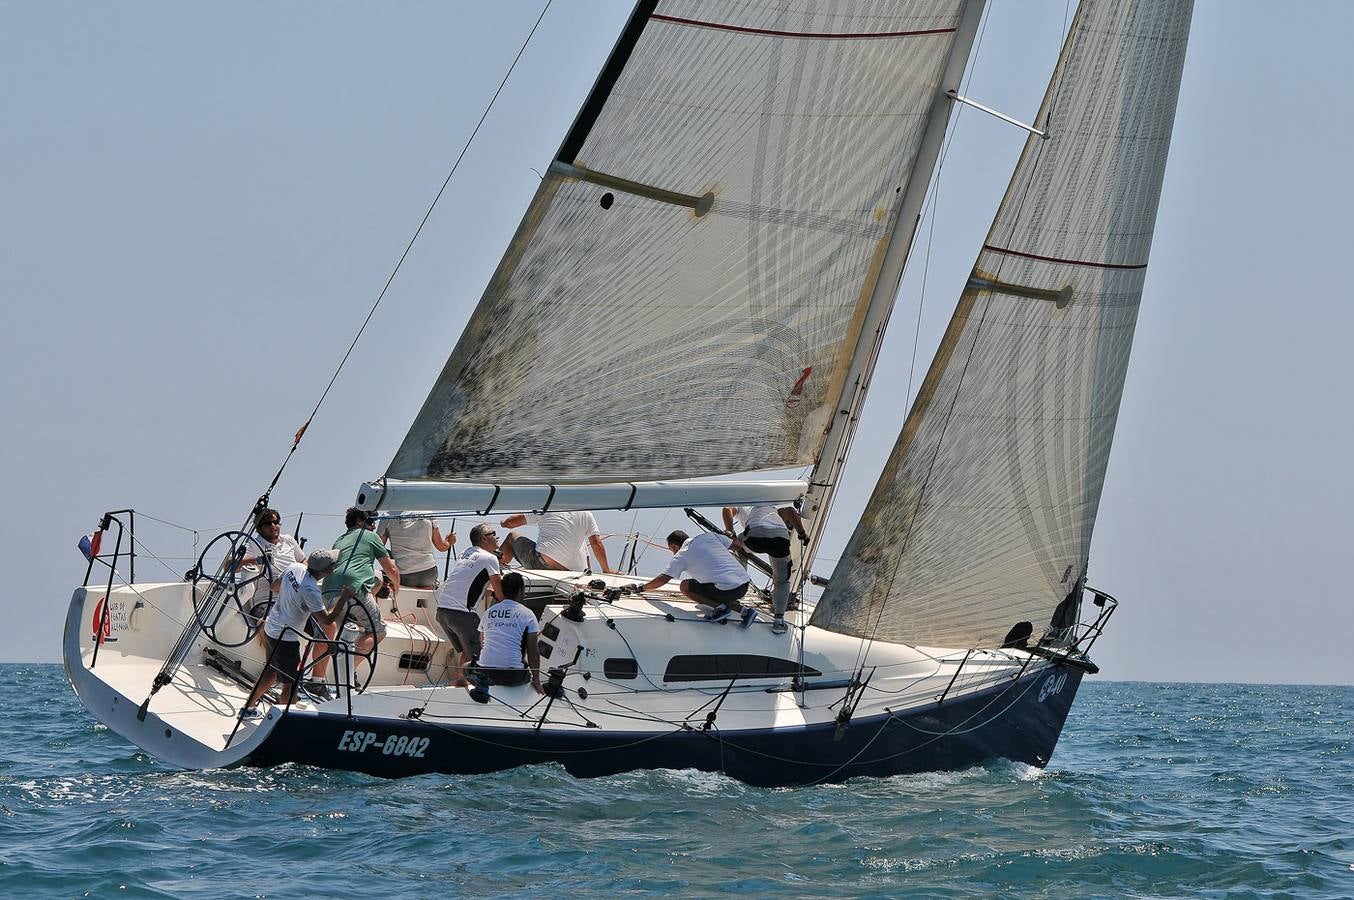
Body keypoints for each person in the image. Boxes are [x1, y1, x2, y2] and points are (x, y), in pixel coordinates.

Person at [241, 549, 352, 718]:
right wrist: (344, 598)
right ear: (327, 570)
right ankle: (282, 721)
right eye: (333, 564)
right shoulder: (311, 591)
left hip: (271, 628)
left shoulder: (294, 567)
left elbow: (274, 587)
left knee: (270, 672)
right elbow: (327, 620)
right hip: (286, 639)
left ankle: (247, 709)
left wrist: (295, 599)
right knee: (290, 684)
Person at [316, 507, 397, 681]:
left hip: (328, 589)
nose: (373, 526)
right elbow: (390, 569)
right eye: (370, 522)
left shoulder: (339, 540)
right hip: (353, 589)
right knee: (378, 631)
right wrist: (397, 586)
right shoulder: (370, 536)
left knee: (326, 630)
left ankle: (317, 680)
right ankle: (347, 673)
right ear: (360, 521)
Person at [633, 529, 755, 628]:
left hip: (725, 590)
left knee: (685, 586)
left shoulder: (681, 555)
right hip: (744, 585)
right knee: (718, 587)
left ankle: (720, 609)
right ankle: (746, 611)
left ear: (675, 546)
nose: (673, 553)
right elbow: (737, 545)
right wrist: (728, 535)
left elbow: (663, 579)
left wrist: (642, 588)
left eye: (671, 550)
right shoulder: (709, 536)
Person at [435, 523, 503, 685]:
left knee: (468, 651)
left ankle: (460, 683)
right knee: (479, 655)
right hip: (461, 615)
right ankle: (466, 686)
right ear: (484, 538)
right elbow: (501, 594)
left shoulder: (465, 553)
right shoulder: (490, 558)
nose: (498, 536)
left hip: (443, 612)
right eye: (494, 533)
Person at [722, 504, 807, 635]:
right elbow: (790, 511)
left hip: (756, 536)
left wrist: (730, 532)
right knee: (782, 581)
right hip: (780, 539)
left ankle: (737, 588)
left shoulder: (743, 506)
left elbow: (727, 509)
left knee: (737, 546)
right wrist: (802, 533)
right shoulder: (775, 511)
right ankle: (778, 621)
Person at [476, 572, 544, 693]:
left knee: (466, 666)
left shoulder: (489, 612)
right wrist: (537, 680)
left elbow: (482, 642)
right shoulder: (527, 614)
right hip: (512, 676)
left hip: (484, 672)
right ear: (520, 591)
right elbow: (533, 652)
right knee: (525, 671)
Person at [499, 510, 614, 574]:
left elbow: (511, 523)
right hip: (575, 572)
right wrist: (606, 569)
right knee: (580, 539)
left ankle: (496, 569)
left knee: (512, 536)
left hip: (543, 565)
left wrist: (504, 522)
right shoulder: (587, 514)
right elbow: (596, 544)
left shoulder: (546, 508)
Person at [378, 513, 453, 589]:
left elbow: (378, 546)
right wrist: (450, 541)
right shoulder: (428, 513)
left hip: (403, 575)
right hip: (429, 573)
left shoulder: (387, 516)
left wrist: (392, 557)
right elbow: (441, 547)